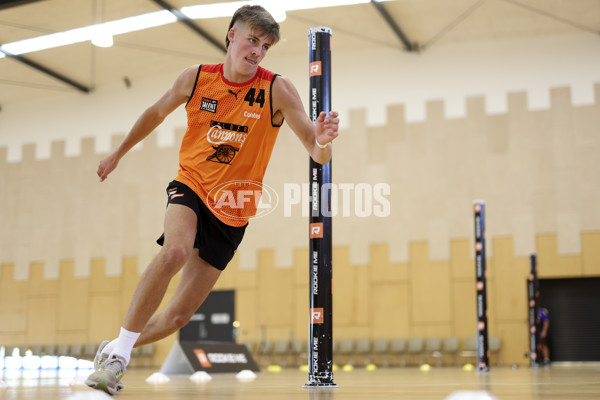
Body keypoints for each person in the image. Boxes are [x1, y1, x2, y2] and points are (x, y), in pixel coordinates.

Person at [85, 5, 339, 395]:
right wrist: (118, 153)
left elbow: (316, 151)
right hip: (192, 185)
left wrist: (323, 140)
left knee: (177, 317)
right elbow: (155, 112)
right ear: (231, 36)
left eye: (265, 45)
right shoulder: (197, 79)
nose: (257, 50)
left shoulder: (277, 89)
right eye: (252, 40)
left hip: (234, 212)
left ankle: (115, 347)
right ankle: (118, 360)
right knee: (175, 252)